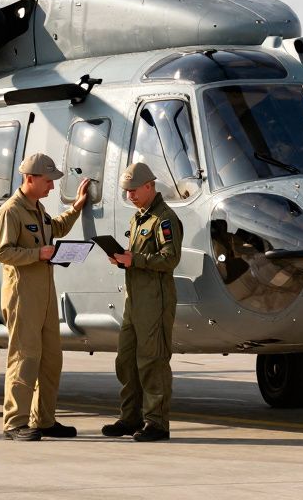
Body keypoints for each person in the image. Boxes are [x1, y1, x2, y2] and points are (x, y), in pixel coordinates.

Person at [0, 153, 92, 441]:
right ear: (30, 179)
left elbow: (55, 228)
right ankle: (14, 423)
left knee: (51, 359)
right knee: (25, 358)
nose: (50, 187)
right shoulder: (11, 211)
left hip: (45, 296)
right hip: (23, 296)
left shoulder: (38, 210)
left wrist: (76, 208)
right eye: (48, 181)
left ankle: (44, 420)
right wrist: (38, 254)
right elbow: (3, 252)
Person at [102, 162, 182, 442]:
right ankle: (130, 417)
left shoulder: (164, 218)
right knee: (126, 360)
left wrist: (134, 259)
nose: (130, 196)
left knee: (152, 361)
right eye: (126, 192)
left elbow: (170, 259)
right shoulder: (138, 218)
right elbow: (141, 259)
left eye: (134, 191)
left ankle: (157, 422)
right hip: (134, 302)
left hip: (155, 302)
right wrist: (124, 260)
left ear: (150, 186)